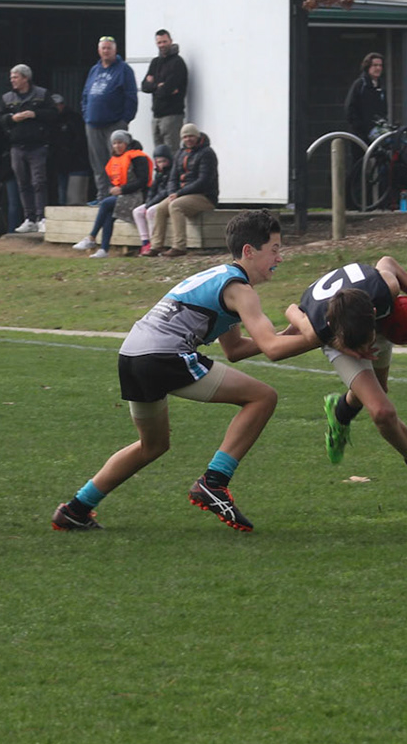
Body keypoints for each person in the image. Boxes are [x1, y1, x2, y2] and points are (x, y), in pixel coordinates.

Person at [50, 208, 315, 534]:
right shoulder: (240, 290)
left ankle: (75, 510)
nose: (280, 258)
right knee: (263, 397)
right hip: (163, 355)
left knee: (152, 445)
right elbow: (272, 349)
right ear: (249, 251)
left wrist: (290, 334)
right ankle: (213, 482)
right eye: (274, 249)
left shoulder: (220, 277)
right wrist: (318, 336)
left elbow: (235, 350)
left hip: (131, 356)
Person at [283, 255, 407, 520]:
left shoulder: (385, 289)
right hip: (338, 335)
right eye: (360, 347)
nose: (364, 350)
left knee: (379, 390)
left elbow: (388, 261)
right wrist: (340, 345)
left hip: (366, 322)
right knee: (382, 412)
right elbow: (292, 310)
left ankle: (340, 412)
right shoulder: (319, 326)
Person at [71, 131, 151, 259]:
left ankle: (92, 237)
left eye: (120, 143)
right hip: (124, 196)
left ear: (127, 143)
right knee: (109, 213)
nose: (117, 146)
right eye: (114, 143)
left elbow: (143, 181)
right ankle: (104, 249)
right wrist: (113, 189)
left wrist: (122, 189)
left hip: (138, 196)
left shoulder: (138, 157)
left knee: (106, 203)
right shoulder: (114, 160)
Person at [144, 123, 218, 258]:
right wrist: (172, 192)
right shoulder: (180, 153)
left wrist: (179, 193)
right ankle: (156, 245)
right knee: (160, 208)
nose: (188, 139)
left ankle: (179, 246)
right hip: (182, 194)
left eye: (191, 136)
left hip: (204, 196)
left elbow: (203, 181)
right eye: (185, 137)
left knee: (175, 206)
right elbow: (173, 178)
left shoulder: (207, 153)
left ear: (197, 136)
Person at [0, 64, 56, 233]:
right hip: (16, 146)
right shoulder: (7, 98)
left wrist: (35, 114)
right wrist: (12, 118)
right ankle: (29, 218)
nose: (12, 80)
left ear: (26, 78)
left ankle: (41, 217)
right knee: (22, 183)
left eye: (15, 77)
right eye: (11, 77)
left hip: (37, 146)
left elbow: (53, 114)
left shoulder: (42, 94)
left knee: (39, 182)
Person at [80, 35, 136, 201]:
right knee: (98, 163)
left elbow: (131, 96)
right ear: (99, 50)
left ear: (115, 50)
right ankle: (102, 195)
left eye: (109, 48)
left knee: (117, 162)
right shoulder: (94, 70)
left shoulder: (124, 69)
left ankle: (117, 195)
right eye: (103, 48)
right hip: (92, 124)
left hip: (114, 124)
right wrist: (86, 115)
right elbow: (85, 95)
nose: (106, 51)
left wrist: (125, 120)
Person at [140, 29, 189, 155]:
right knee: (159, 156)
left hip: (172, 116)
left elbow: (167, 89)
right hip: (156, 116)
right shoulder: (155, 62)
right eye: (159, 42)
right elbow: (144, 86)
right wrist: (159, 86)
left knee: (172, 154)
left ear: (170, 41)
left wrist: (155, 85)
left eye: (164, 41)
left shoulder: (178, 62)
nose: (162, 45)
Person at [132, 144, 176, 257]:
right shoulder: (158, 174)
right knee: (137, 212)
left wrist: (150, 204)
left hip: (164, 200)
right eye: (158, 161)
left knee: (151, 212)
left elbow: (165, 192)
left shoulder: (172, 172)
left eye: (163, 161)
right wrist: (148, 202)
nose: (161, 164)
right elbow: (152, 190)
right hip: (155, 201)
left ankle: (154, 242)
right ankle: (145, 242)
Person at [344, 52, 388, 142]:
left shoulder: (381, 86)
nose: (378, 68)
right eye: (375, 65)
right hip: (360, 135)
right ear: (368, 67)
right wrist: (359, 127)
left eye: (380, 65)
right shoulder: (360, 84)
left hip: (376, 132)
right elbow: (350, 108)